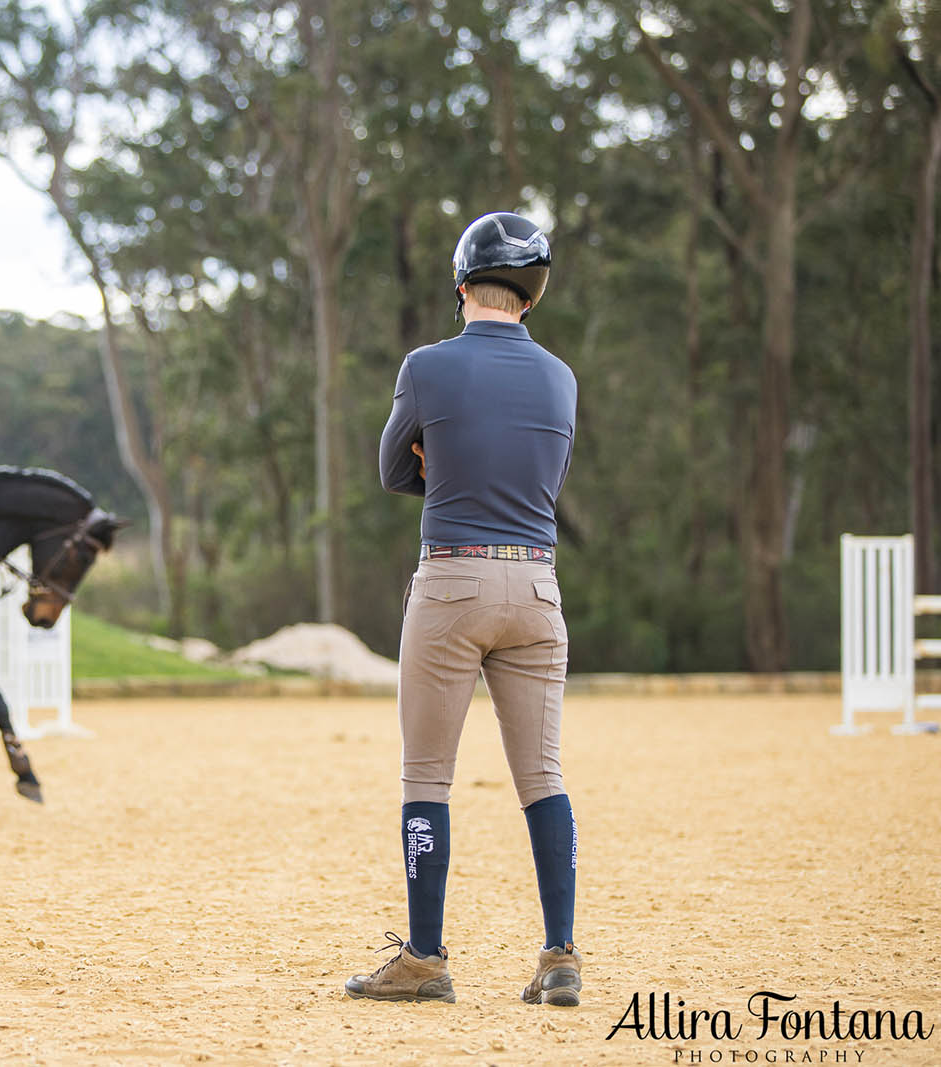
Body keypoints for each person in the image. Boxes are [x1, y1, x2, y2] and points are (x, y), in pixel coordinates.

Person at [345, 212, 582, 1007]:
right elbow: (540, 478)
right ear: (533, 296)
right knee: (542, 775)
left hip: (451, 582)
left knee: (427, 775)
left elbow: (390, 468)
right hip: (538, 586)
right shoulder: (561, 377)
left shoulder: (426, 366)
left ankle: (425, 957)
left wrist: (436, 467)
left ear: (460, 286)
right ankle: (558, 956)